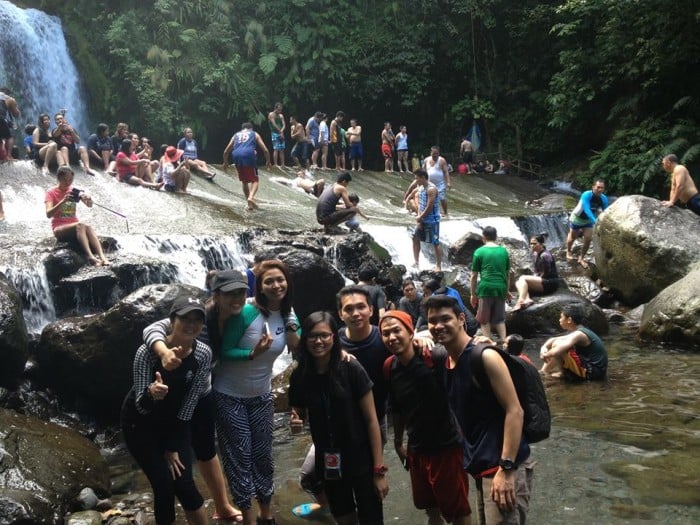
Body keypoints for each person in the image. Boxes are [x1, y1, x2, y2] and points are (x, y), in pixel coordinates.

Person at [143, 274, 245, 523]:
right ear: (216, 295)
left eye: (241, 292)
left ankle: (222, 506)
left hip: (202, 393)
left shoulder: (239, 314)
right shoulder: (198, 317)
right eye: (230, 293)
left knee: (207, 450)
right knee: (178, 454)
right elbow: (151, 328)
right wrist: (164, 352)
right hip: (174, 395)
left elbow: (272, 308)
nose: (237, 298)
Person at [425, 295, 533, 525]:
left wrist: (506, 469)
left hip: (503, 465)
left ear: (461, 319)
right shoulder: (447, 361)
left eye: (446, 318)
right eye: (432, 321)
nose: (438, 326)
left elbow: (515, 411)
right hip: (481, 466)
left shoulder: (485, 356)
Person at [215, 260, 300, 525]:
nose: (276, 286)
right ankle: (249, 518)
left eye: (280, 280)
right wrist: (253, 353)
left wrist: (291, 321)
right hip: (229, 395)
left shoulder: (288, 312)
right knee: (240, 457)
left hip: (262, 395)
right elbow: (225, 351)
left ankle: (267, 513)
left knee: (263, 456)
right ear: (260, 287)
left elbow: (297, 347)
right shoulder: (248, 312)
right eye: (269, 281)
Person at [289, 311, 389, 524]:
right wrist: (296, 424)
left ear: (334, 337)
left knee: (372, 518)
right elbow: (298, 414)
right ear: (304, 338)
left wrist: (379, 471)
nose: (318, 341)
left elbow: (372, 421)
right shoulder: (300, 376)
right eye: (312, 336)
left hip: (361, 457)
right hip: (329, 461)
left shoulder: (351, 367)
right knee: (344, 518)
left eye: (324, 335)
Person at [121, 295, 211, 525]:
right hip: (140, 426)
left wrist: (172, 447)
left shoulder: (203, 354)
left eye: (197, 320)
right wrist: (152, 393)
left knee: (185, 485)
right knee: (164, 485)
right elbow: (140, 407)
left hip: (175, 422)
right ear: (172, 320)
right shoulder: (147, 353)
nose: (191, 324)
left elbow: (190, 405)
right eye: (185, 318)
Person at [380, 311, 472, 525]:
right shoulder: (389, 367)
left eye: (397, 330)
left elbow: (463, 356)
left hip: (446, 446)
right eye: (386, 334)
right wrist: (397, 442)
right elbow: (397, 407)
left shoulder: (435, 356)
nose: (392, 337)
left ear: (410, 332)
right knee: (430, 507)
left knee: (458, 510)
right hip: (417, 448)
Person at [44, 165, 109, 266]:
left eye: (70, 180)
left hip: (75, 225)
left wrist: (89, 199)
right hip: (59, 227)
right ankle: (90, 257)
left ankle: (103, 257)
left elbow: (89, 205)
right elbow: (48, 214)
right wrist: (63, 201)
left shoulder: (73, 190)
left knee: (88, 226)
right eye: (65, 180)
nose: (68, 182)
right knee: (81, 225)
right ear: (58, 178)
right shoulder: (51, 192)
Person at [539, 304, 608, 381]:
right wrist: (543, 347)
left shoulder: (579, 334)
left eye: (561, 317)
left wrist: (545, 355)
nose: (559, 320)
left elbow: (556, 351)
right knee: (558, 343)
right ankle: (544, 371)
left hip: (593, 373)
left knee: (558, 345)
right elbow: (553, 339)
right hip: (593, 369)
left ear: (569, 320)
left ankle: (559, 373)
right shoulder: (578, 331)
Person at [470, 226, 511, 342]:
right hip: (501, 288)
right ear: (496, 237)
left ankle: (489, 342)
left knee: (484, 320)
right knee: (499, 319)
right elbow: (507, 274)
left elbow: (474, 276)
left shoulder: (479, 252)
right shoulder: (503, 251)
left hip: (485, 288)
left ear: (484, 237)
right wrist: (507, 290)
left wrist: (473, 294)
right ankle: (505, 341)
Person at [222, 122, 271, 211]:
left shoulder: (235, 135)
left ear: (242, 129)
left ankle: (249, 205)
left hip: (236, 156)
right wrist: (268, 161)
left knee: (244, 181)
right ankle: (250, 198)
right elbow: (265, 149)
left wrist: (225, 162)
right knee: (255, 180)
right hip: (249, 155)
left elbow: (226, 152)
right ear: (251, 128)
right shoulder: (254, 134)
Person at [565, 179, 609, 268]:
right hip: (577, 218)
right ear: (593, 187)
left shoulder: (604, 199)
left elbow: (606, 212)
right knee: (573, 237)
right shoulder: (586, 195)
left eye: (602, 188)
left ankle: (581, 257)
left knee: (588, 239)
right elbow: (586, 209)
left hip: (588, 221)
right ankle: (568, 251)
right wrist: (595, 221)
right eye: (598, 187)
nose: (600, 189)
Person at [512, 233, 559, 311]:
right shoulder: (535, 254)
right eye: (531, 244)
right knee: (518, 282)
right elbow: (536, 270)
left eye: (534, 244)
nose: (532, 246)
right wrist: (534, 279)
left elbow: (546, 273)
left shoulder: (545, 256)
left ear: (541, 244)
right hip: (541, 280)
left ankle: (520, 300)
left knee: (523, 278)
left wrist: (534, 280)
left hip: (550, 282)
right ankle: (527, 299)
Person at [411, 169, 442, 272]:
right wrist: (419, 218)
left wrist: (421, 217)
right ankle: (416, 262)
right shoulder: (421, 188)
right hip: (423, 219)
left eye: (417, 178)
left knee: (435, 242)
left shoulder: (431, 189)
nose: (415, 180)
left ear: (423, 177)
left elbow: (430, 206)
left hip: (433, 220)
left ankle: (438, 265)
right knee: (415, 238)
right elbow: (421, 204)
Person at [423, 146, 451, 217]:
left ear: (439, 153)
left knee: (442, 198)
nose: (435, 155)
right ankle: (429, 212)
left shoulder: (442, 160)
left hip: (440, 184)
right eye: (433, 153)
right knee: (428, 198)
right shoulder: (426, 160)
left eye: (436, 153)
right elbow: (423, 172)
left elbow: (446, 172)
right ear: (431, 153)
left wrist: (448, 182)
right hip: (429, 184)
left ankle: (445, 212)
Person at [0, 87, 20, 161]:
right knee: (9, 137)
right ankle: (8, 156)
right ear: (8, 93)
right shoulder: (9, 99)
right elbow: (16, 114)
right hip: (0, 118)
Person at [267, 103, 286, 168]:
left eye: (281, 110)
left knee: (282, 149)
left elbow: (284, 125)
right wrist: (280, 131)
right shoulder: (271, 114)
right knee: (276, 148)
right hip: (274, 133)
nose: (280, 111)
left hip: (281, 133)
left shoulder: (281, 115)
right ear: (275, 108)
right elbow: (274, 124)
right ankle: (275, 164)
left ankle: (283, 164)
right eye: (279, 110)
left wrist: (282, 131)